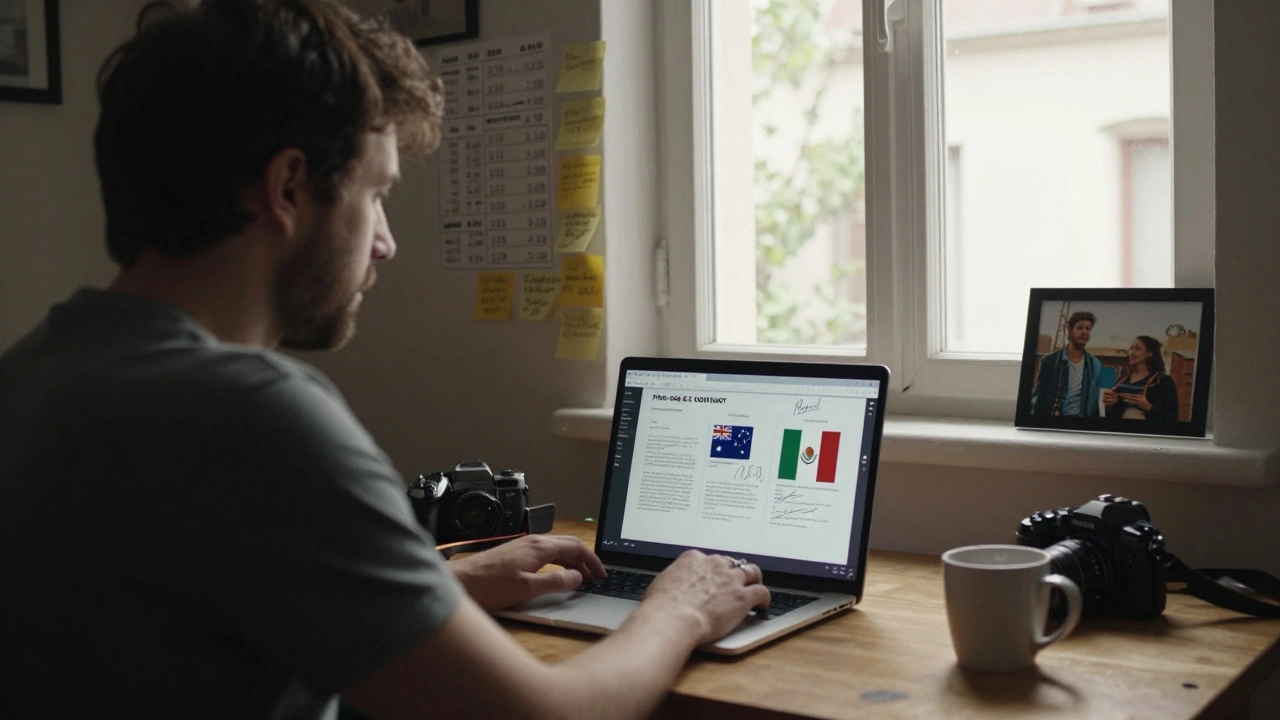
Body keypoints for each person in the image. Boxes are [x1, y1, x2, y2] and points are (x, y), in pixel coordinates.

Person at [0, 2, 770, 719]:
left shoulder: (34, 374)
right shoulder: (251, 416)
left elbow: (197, 605)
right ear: (289, 187)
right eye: (376, 194)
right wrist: (680, 609)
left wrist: (444, 587)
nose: (386, 242)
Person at [1029, 310, 1103, 417]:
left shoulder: (1095, 364)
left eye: (1088, 329)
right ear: (1070, 329)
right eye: (1080, 328)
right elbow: (1038, 397)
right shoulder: (1049, 361)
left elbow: (1095, 402)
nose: (1085, 332)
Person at [1104, 335, 1180, 422]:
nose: (1131, 352)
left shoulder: (1163, 381)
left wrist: (1149, 407)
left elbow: (1173, 417)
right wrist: (1111, 404)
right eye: (1131, 348)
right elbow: (1112, 415)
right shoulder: (1122, 381)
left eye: (1137, 349)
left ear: (1149, 353)